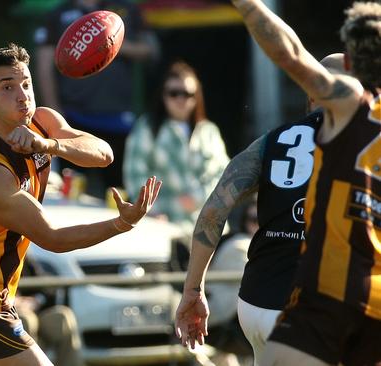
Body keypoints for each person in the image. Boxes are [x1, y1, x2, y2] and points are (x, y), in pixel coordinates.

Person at [0, 43, 161, 366]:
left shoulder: (43, 121)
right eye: (7, 87)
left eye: (26, 84)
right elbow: (53, 238)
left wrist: (49, 145)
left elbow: (103, 153)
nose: (22, 94)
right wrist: (120, 224)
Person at [207, 1, 381, 365]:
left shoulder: (349, 107)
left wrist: (249, 5)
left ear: (350, 64)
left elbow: (290, 54)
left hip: (330, 298)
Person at [175, 54, 345, 365]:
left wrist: (193, 288)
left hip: (256, 303)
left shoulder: (272, 141)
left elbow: (215, 207)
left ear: (310, 92)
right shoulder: (365, 140)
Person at [34, 0, 159, 198]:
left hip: (117, 118)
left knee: (119, 194)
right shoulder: (59, 14)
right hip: (74, 118)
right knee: (71, 193)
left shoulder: (124, 8)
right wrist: (54, 110)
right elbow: (44, 65)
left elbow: (150, 49)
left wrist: (109, 41)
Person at [123, 61, 229, 242]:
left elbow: (224, 175)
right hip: (163, 228)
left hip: (210, 228)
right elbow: (135, 178)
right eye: (174, 93)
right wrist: (153, 211)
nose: (181, 99)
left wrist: (196, 198)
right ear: (163, 96)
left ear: (197, 96)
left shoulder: (209, 131)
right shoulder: (147, 128)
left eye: (188, 93)